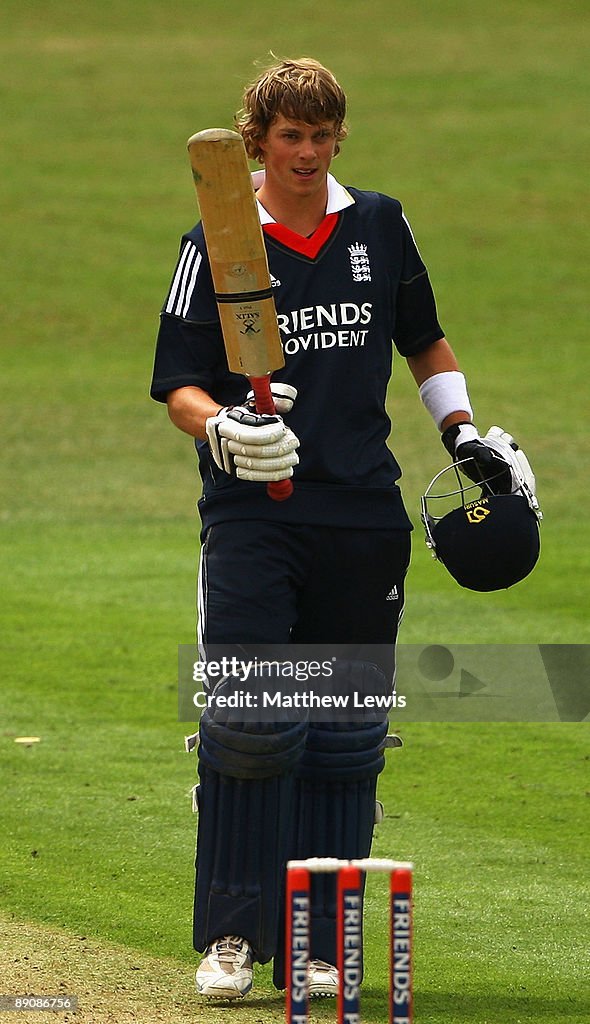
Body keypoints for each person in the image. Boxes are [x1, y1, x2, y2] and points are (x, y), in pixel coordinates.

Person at [150, 57, 515, 1001]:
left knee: (347, 737)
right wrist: (222, 426)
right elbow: (178, 381)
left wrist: (463, 434)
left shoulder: (379, 225)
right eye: (289, 138)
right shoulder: (220, 239)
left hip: (361, 512)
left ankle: (320, 942)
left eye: (321, 136)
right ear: (258, 142)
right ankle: (234, 937)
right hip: (253, 514)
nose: (306, 153)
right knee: (249, 722)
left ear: (338, 137)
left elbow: (423, 338)